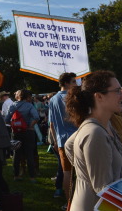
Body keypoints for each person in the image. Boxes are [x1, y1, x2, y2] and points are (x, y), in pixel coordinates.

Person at [65, 70, 122, 211]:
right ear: (99, 96)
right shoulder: (95, 133)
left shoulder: (104, 125)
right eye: (118, 90)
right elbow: (105, 191)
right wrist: (85, 172)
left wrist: (84, 168)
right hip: (93, 206)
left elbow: (69, 145)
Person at [48, 72, 77, 202]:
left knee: (67, 172)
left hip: (61, 140)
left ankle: (69, 202)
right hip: (77, 137)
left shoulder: (52, 99)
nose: (76, 84)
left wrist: (54, 140)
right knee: (83, 172)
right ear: (66, 83)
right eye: (73, 82)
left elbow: (51, 124)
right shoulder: (74, 97)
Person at [5, 89, 39, 182]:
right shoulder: (29, 105)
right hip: (28, 132)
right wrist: (31, 126)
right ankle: (32, 177)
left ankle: (16, 175)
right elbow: (36, 117)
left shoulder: (12, 105)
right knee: (29, 154)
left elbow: (7, 120)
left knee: (16, 154)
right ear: (27, 96)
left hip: (16, 133)